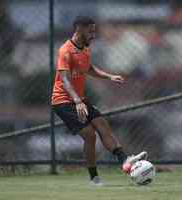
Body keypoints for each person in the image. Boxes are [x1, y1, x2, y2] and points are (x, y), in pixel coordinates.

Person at [52, 16, 147, 186]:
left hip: (79, 99)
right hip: (63, 102)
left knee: (102, 124)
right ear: (79, 29)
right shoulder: (65, 51)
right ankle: (93, 178)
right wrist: (77, 101)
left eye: (94, 31)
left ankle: (125, 161)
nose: (93, 35)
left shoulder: (86, 49)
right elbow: (64, 79)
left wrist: (109, 76)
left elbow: (89, 69)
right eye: (90, 31)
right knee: (90, 135)